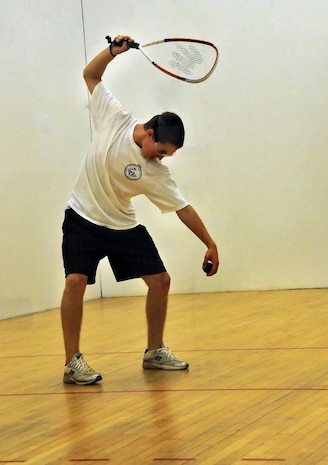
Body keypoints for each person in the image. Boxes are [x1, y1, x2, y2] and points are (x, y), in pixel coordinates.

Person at [61, 34, 219, 385]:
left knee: (160, 281)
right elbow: (91, 76)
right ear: (148, 133)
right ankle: (73, 362)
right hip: (83, 218)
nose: (161, 159)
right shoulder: (114, 117)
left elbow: (184, 208)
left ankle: (154, 351)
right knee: (75, 281)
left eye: (167, 155)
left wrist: (210, 243)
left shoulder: (156, 173)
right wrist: (113, 52)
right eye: (160, 151)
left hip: (121, 225)